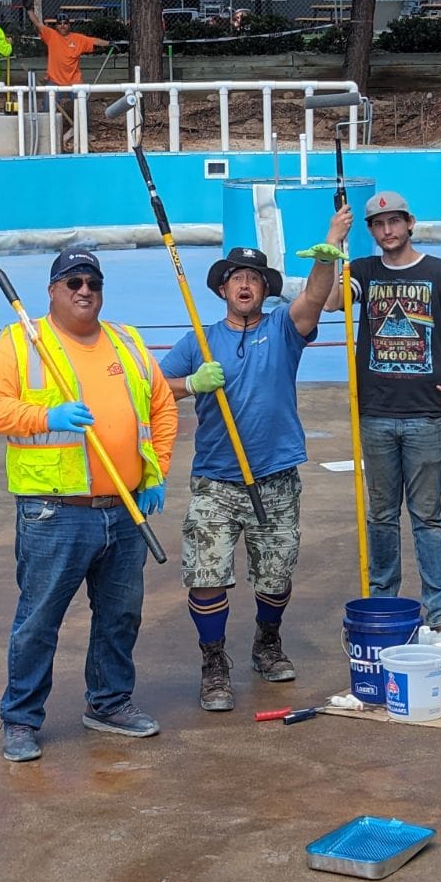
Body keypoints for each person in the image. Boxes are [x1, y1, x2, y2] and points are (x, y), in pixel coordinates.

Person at [0, 246, 178, 763]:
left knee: (120, 615)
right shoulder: (24, 342)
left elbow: (161, 405)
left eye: (92, 281)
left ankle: (108, 703)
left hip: (126, 508)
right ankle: (20, 720)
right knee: (40, 619)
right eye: (73, 282)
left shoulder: (127, 342)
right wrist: (48, 416)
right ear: (52, 291)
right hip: (55, 511)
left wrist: (157, 472)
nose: (84, 290)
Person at [158, 210, 352, 711]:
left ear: (266, 290)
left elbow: (313, 298)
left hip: (275, 477)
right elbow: (153, 389)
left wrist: (329, 247)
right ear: (223, 289)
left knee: (275, 576)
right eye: (236, 279)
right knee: (206, 576)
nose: (245, 286)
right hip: (215, 482)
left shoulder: (285, 329)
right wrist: (191, 383)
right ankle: (213, 660)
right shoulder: (200, 341)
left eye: (254, 279)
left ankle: (267, 641)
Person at [325, 190, 441, 642]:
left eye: (393, 222)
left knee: (427, 516)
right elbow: (330, 303)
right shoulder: (362, 271)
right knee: (380, 516)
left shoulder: (439, 273)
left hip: (426, 416)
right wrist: (333, 243)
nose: (386, 231)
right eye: (377, 225)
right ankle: (384, 604)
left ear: (410, 222)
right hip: (375, 413)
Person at [29, 10, 113, 146]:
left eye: (65, 23)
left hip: (74, 80)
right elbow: (37, 23)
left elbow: (94, 41)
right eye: (59, 23)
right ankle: (45, 133)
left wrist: (109, 43)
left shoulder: (77, 38)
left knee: (82, 104)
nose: (62, 26)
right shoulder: (51, 35)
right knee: (47, 105)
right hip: (54, 80)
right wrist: (28, 10)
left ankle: (83, 132)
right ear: (56, 25)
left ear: (69, 25)